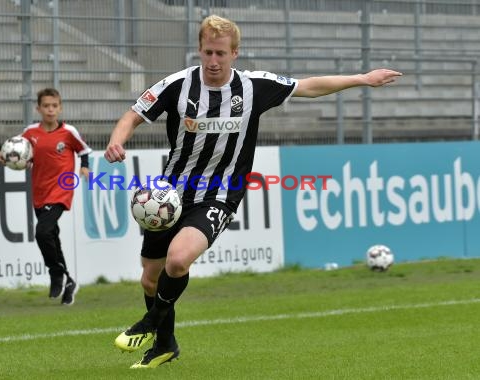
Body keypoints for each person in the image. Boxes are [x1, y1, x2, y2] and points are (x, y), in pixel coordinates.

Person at [104, 15, 402, 368]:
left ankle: (150, 324)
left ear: (235, 53)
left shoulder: (253, 86)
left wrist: (362, 80)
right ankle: (166, 345)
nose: (214, 61)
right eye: (208, 53)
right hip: (169, 195)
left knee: (179, 259)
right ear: (199, 50)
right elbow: (134, 114)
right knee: (151, 277)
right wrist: (116, 141)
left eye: (221, 54)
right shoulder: (178, 85)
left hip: (220, 193)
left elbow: (309, 86)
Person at [0, 88, 92, 305]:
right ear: (38, 108)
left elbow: (84, 151)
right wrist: (1, 154)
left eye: (54, 106)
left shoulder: (69, 132)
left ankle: (55, 273)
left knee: (42, 231)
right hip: (39, 192)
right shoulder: (30, 133)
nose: (50, 110)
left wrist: (85, 167)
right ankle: (68, 280)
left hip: (61, 190)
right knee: (52, 237)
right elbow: (13, 149)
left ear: (60, 107)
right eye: (46, 106)